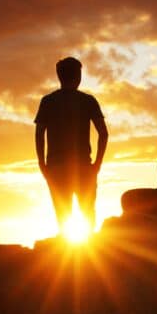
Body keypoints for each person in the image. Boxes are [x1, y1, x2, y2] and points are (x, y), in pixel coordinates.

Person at [35, 57, 109, 232]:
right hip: (83, 165)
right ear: (79, 75)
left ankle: (66, 255)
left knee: (62, 215)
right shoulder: (88, 100)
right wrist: (97, 163)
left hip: (56, 166)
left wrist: (42, 163)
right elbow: (103, 134)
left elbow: (39, 135)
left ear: (59, 76)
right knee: (88, 214)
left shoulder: (48, 101)